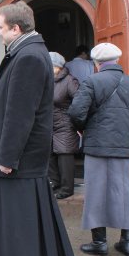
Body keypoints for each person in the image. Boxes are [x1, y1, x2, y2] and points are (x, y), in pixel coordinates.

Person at [0, 2, 77, 256]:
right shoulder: (27, 52)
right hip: (19, 157)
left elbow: (20, 114)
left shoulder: (29, 57)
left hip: (16, 158)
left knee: (19, 219)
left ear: (16, 28)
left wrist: (7, 156)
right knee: (22, 216)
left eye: (0, 28)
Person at [68, 42, 129, 256]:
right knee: (127, 193)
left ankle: (99, 243)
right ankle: (127, 242)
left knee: (97, 193)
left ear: (96, 63)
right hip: (125, 147)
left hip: (97, 146)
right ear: (117, 60)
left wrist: (83, 129)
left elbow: (76, 113)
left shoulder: (92, 82)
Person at [48, 52, 80, 200]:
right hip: (48, 124)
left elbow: (79, 102)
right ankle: (54, 182)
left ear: (58, 66)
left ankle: (67, 188)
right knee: (50, 154)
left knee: (64, 154)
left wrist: (75, 121)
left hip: (65, 124)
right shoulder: (45, 80)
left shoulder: (69, 81)